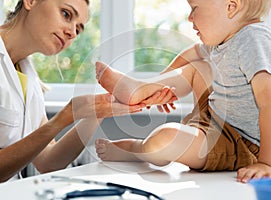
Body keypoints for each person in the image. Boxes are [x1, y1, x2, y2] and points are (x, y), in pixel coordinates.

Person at [95, 0, 271, 183]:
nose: (189, 18)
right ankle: (141, 88)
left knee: (165, 139)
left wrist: (267, 163)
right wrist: (158, 87)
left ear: (231, 6)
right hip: (215, 117)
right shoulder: (225, 39)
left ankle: (137, 149)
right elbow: (194, 53)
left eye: (194, 8)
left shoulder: (255, 40)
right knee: (198, 65)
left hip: (239, 143)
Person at [0, 0, 156, 182]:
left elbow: (48, 161)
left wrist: (97, 112)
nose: (72, 33)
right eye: (66, 14)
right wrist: (64, 116)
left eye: (79, 29)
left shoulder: (29, 77)